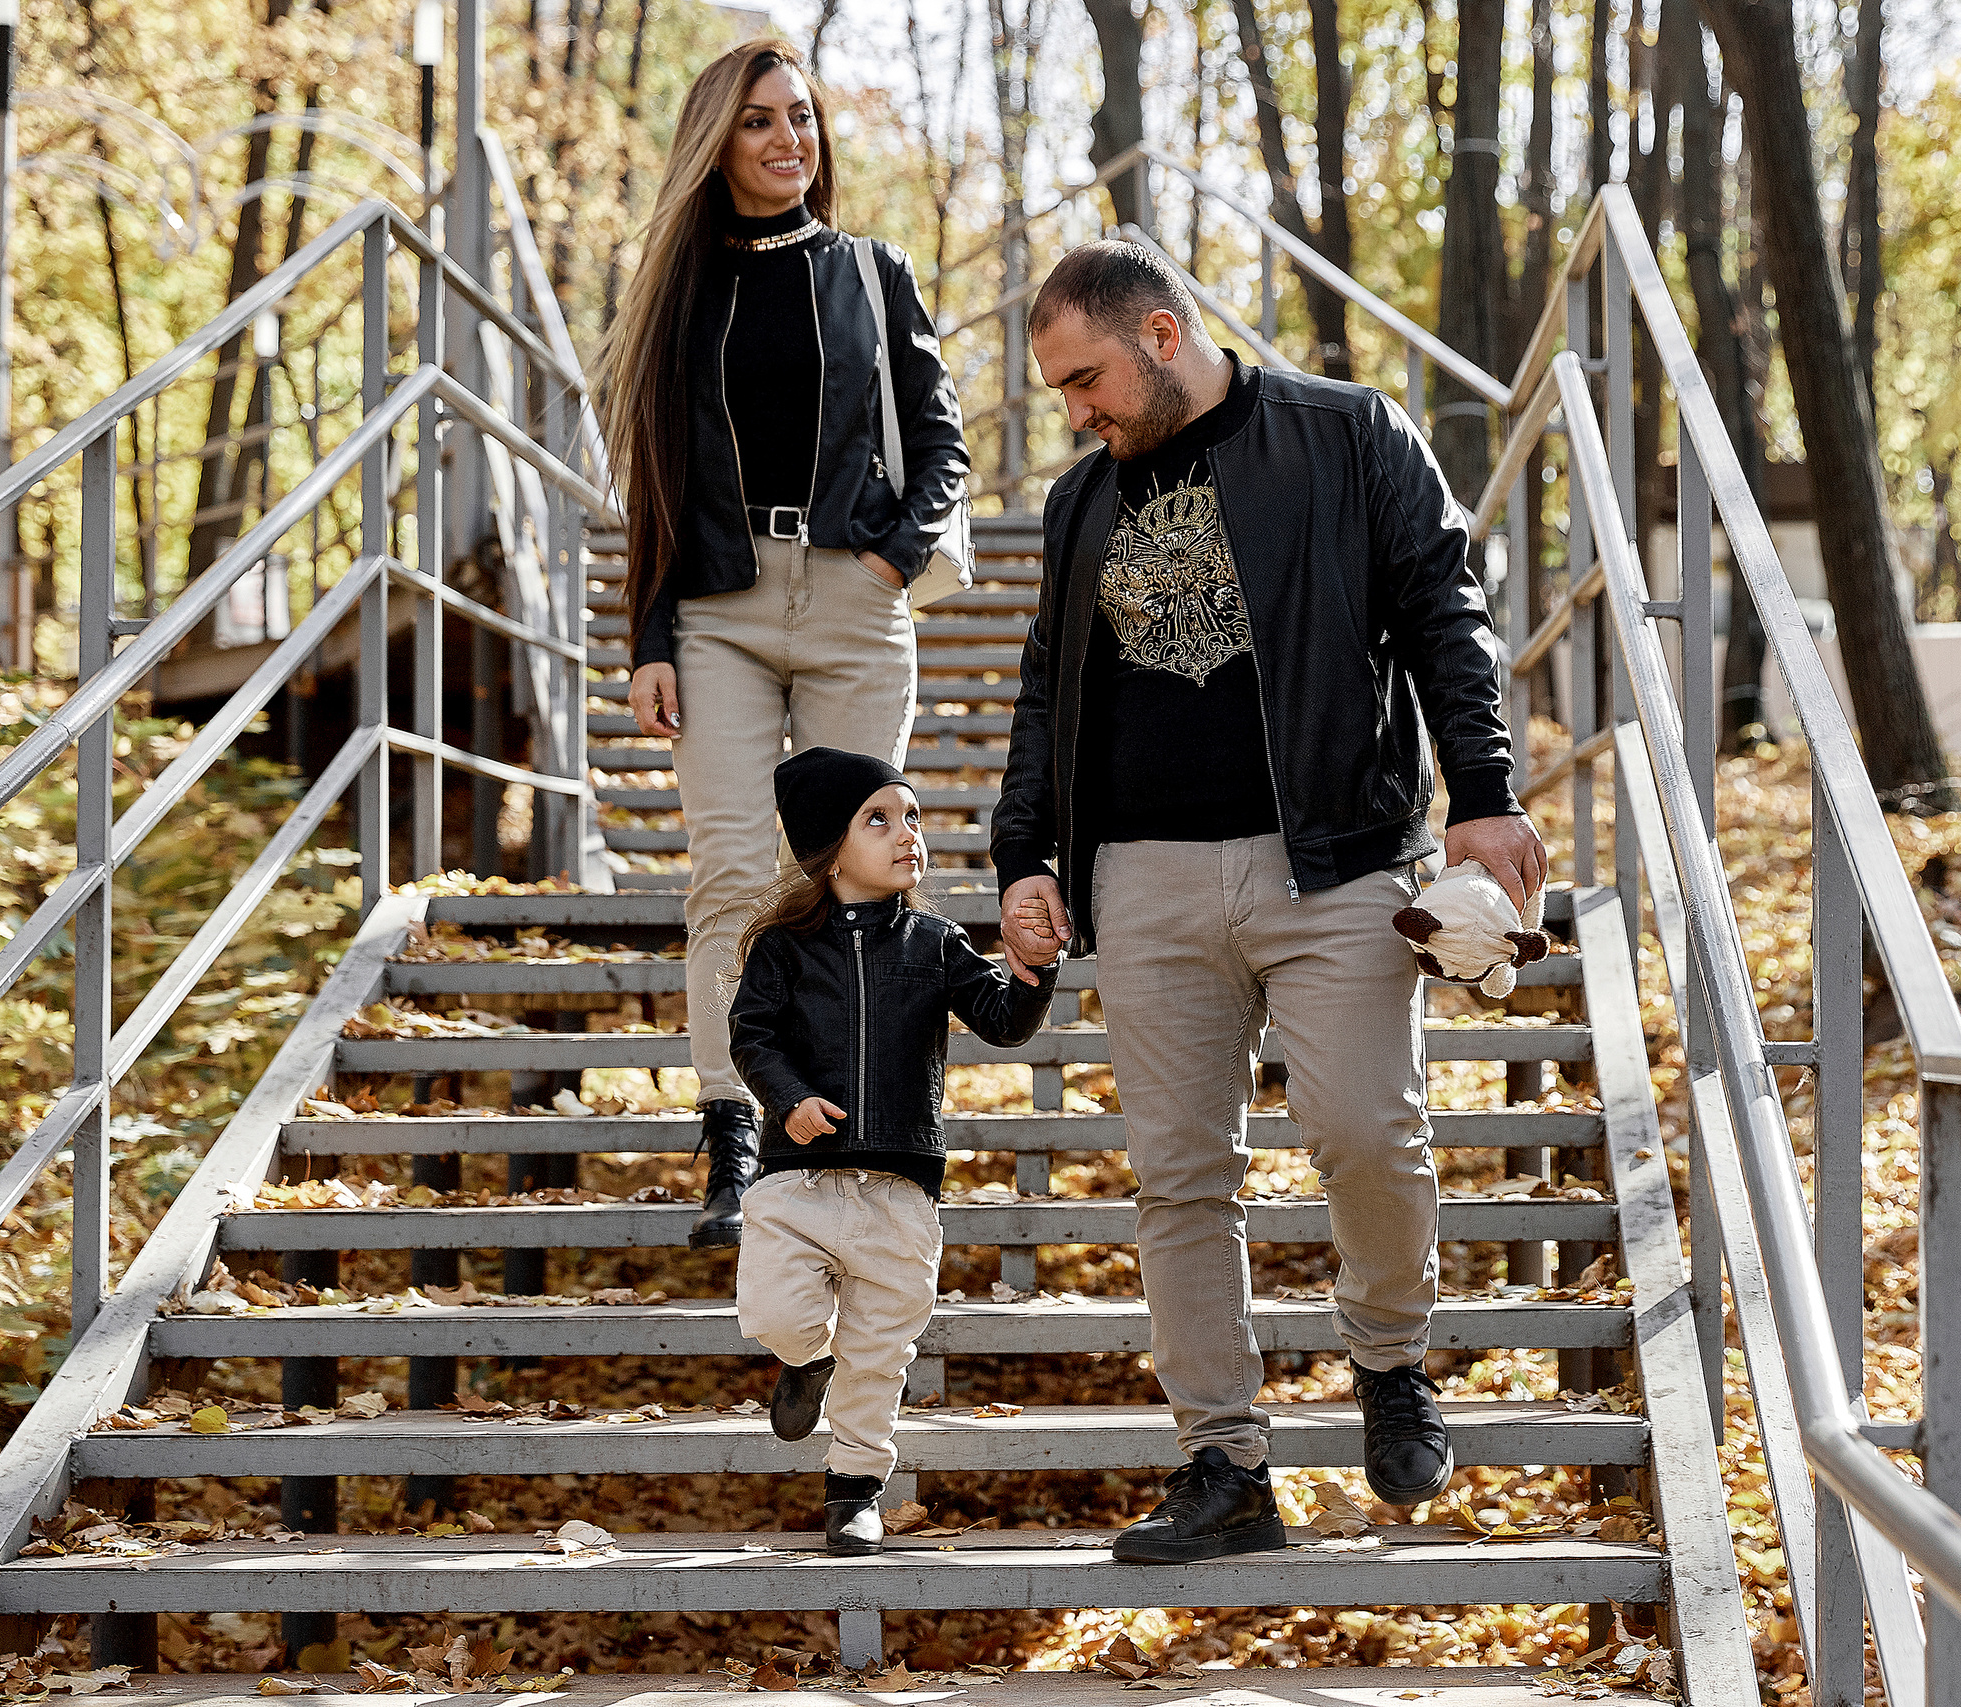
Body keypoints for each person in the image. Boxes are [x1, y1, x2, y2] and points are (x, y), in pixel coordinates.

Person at [990, 241, 1547, 1564]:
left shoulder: (1348, 435)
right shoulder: (1082, 505)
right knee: (1181, 1179)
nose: (1076, 411)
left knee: (1367, 1128)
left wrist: (1482, 784)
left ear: (1163, 332)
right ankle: (1223, 1460)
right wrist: (1026, 854)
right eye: (1061, 390)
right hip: (1142, 877)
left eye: (1087, 378)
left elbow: (1445, 611)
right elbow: (1047, 689)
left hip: (1336, 853)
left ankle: (1393, 1361)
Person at [596, 39, 968, 1249]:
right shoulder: (676, 290)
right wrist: (647, 632)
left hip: (854, 602)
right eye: (757, 121)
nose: (785, 140)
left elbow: (940, 436)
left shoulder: (871, 271)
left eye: (800, 118)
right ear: (718, 140)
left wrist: (893, 556)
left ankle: (871, 1141)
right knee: (735, 878)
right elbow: (653, 481)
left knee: (860, 873)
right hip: (719, 608)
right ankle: (735, 1140)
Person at [729, 747, 1059, 1553]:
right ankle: (806, 1360)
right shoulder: (781, 948)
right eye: (878, 817)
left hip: (900, 1190)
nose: (906, 832)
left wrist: (1032, 974)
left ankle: (854, 1489)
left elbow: (1003, 1020)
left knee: (880, 1349)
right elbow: (752, 1035)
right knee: (775, 1310)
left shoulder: (936, 942)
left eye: (911, 815)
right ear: (829, 850)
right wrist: (789, 1098)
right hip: (796, 1181)